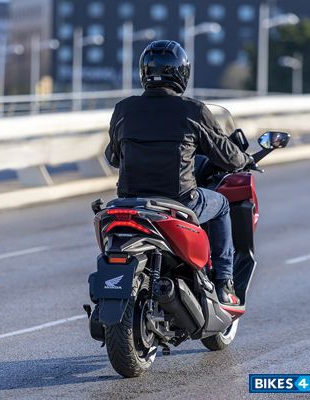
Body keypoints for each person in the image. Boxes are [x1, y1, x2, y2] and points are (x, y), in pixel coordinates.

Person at [105, 40, 253, 305]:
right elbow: (228, 156)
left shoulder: (124, 109)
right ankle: (224, 281)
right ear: (182, 73)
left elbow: (113, 157)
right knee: (221, 205)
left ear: (144, 72)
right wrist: (245, 159)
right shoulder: (192, 110)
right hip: (180, 201)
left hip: (131, 202)